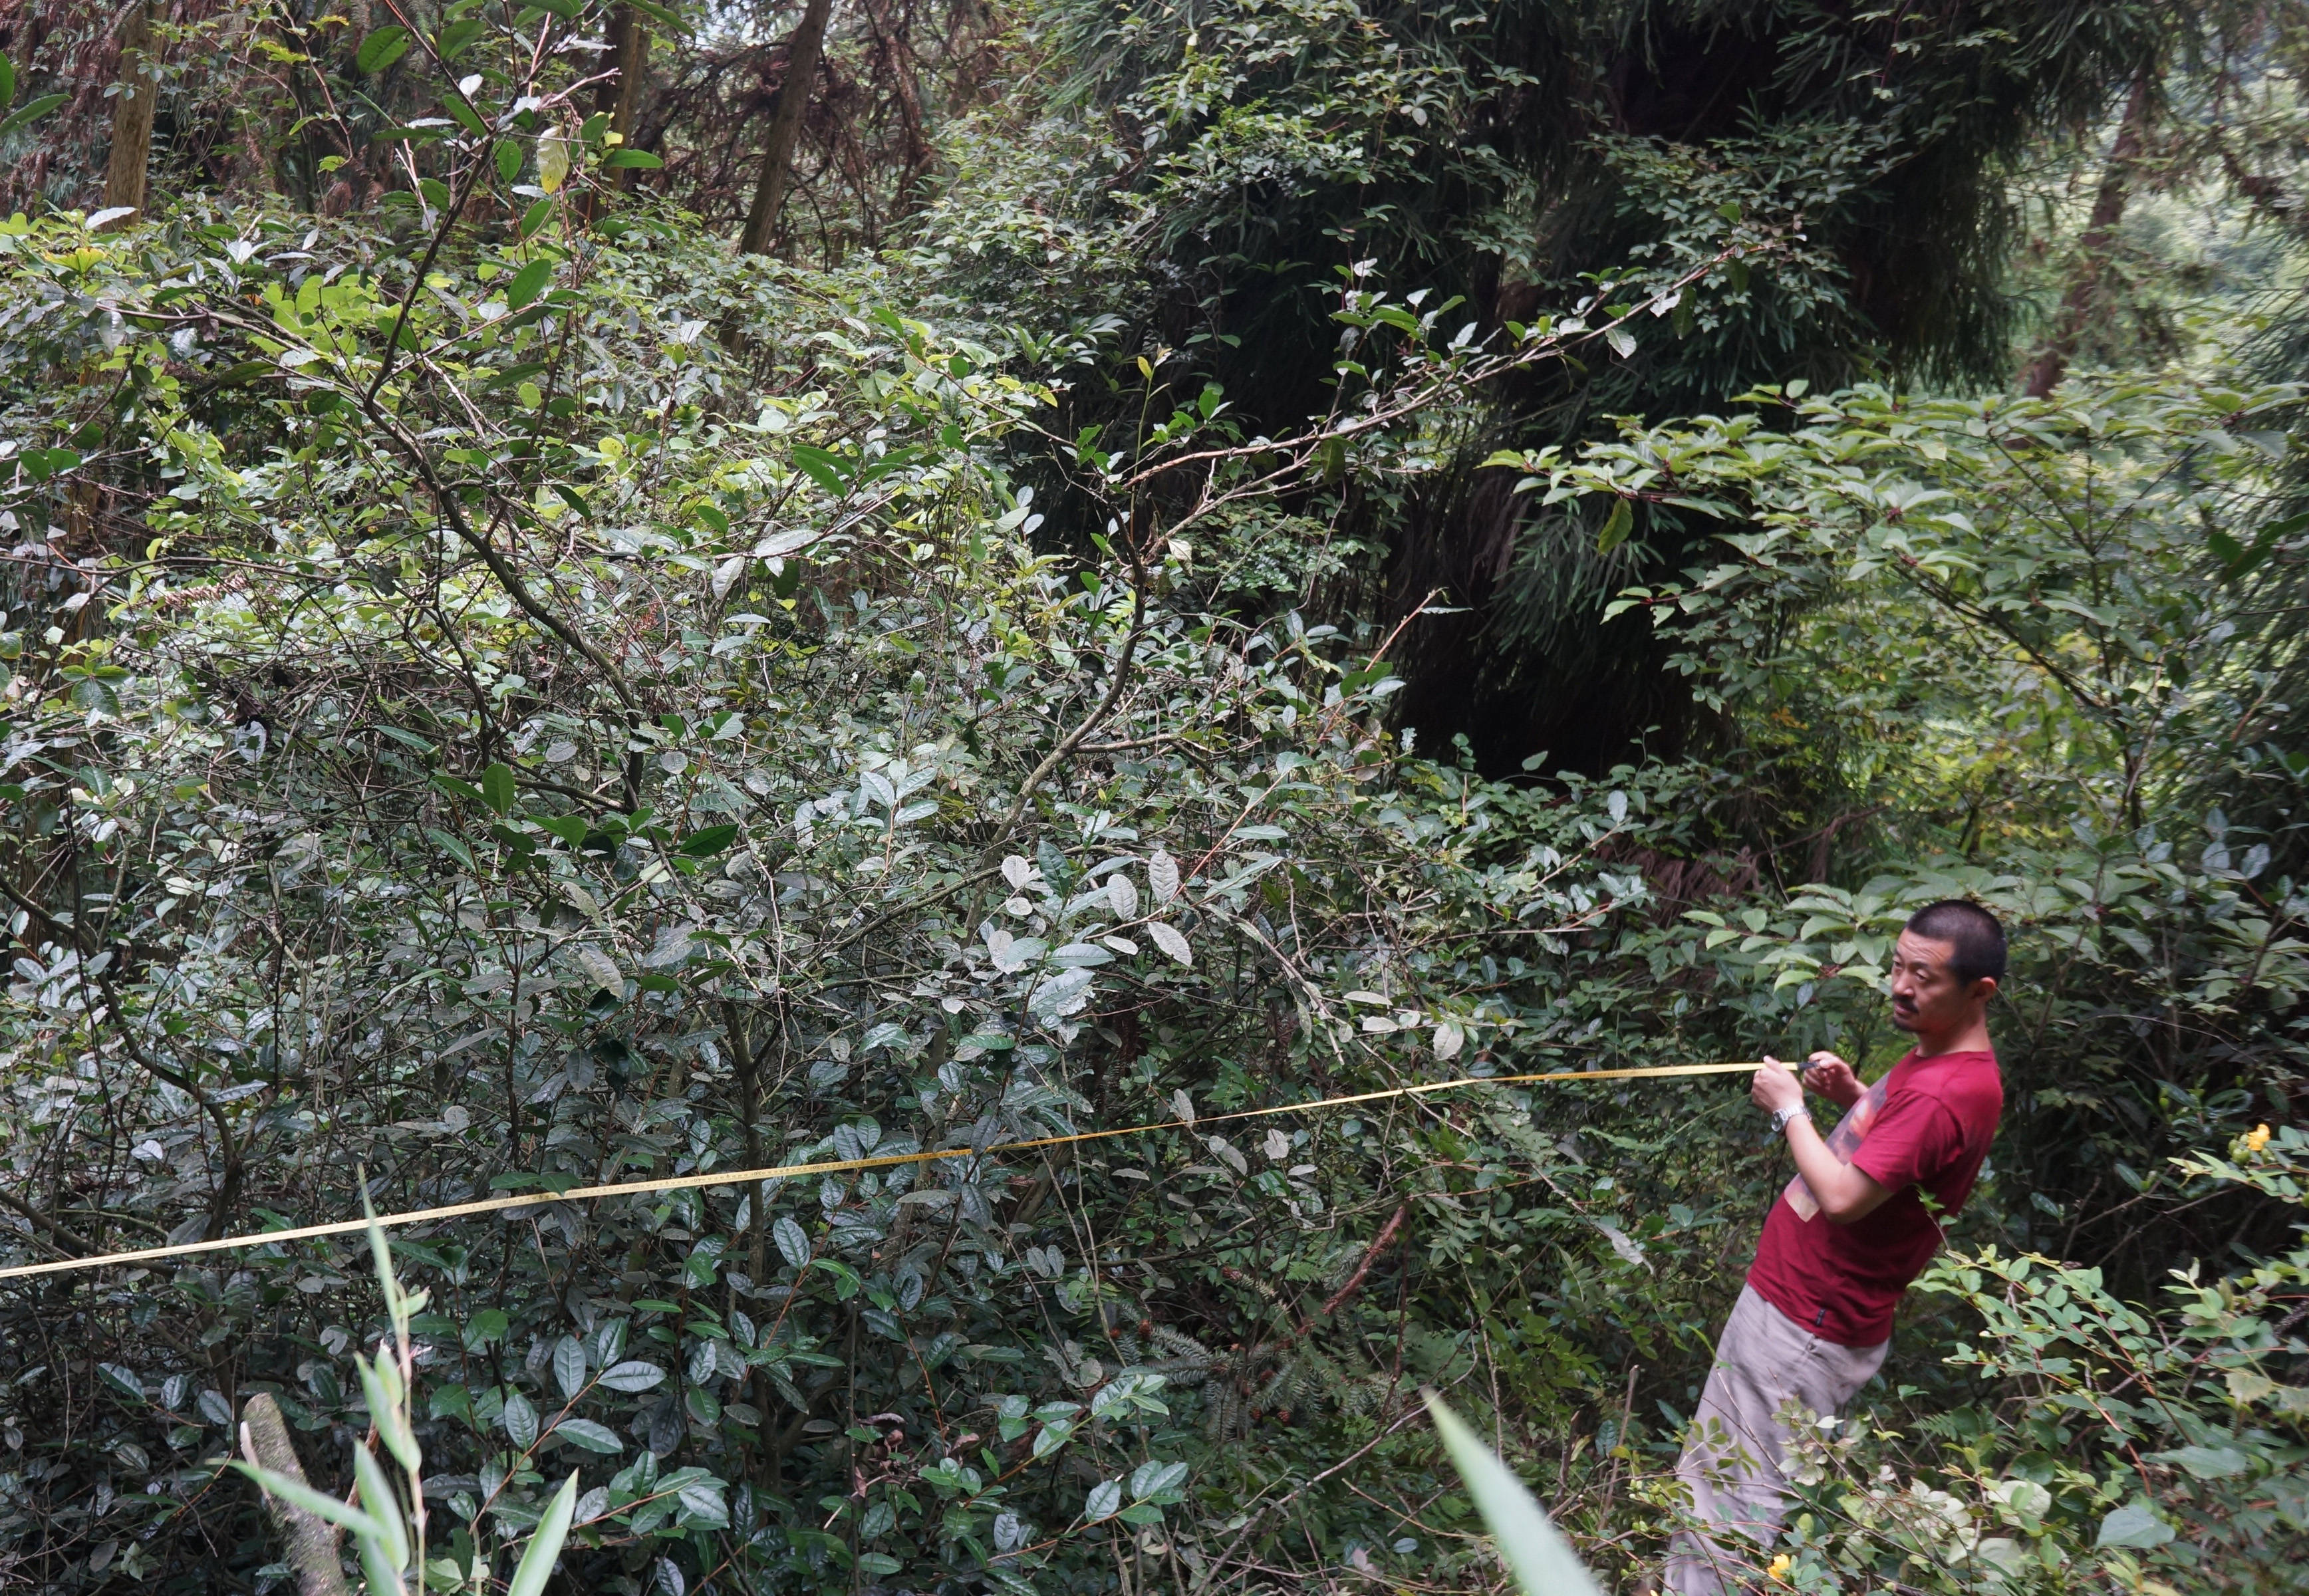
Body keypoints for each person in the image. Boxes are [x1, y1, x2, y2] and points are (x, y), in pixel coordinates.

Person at [1662, 900, 2008, 1596]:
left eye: (1924, 976)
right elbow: (1898, 1155)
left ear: (1980, 992)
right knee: (1715, 1480)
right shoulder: (1934, 1060)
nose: (1901, 987)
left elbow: (1846, 1199)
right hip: (1793, 1309)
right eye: (1897, 966)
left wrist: (1791, 1110)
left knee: (1728, 1499)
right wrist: (1853, 1095)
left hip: (1804, 1326)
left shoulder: (1949, 1090)